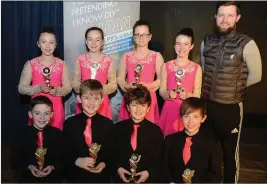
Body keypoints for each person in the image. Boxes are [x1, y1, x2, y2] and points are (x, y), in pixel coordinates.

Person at [201, 1, 262, 183]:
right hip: (207, 107)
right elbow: (204, 71)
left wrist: (233, 89)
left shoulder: (246, 43)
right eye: (221, 15)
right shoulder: (207, 41)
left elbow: (256, 76)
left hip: (231, 109)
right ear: (215, 17)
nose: (224, 19)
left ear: (237, 17)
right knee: (208, 153)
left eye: (229, 15)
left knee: (230, 154)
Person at [18, 26, 72, 131]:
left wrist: (56, 90)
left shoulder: (62, 64)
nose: (47, 46)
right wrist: (39, 88)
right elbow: (21, 88)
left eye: (51, 42)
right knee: (36, 142)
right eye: (44, 42)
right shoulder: (31, 64)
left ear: (56, 45)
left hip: (56, 111)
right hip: (37, 112)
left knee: (55, 142)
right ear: (38, 44)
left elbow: (68, 88)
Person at [63, 79, 114, 183]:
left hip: (101, 176)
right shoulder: (69, 123)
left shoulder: (108, 124)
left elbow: (112, 152)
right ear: (79, 99)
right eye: (86, 98)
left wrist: (104, 163)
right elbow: (64, 151)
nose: (91, 103)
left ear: (102, 100)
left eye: (96, 98)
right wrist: (76, 161)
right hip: (76, 176)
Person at [112, 86, 164, 183]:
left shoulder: (156, 131)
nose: (138, 109)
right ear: (128, 107)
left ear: (148, 108)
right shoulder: (117, 129)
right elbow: (111, 154)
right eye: (134, 105)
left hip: (148, 180)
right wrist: (118, 169)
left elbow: (160, 158)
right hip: (120, 180)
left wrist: (149, 172)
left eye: (142, 105)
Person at [117, 20, 164, 124]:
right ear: (133, 37)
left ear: (150, 36)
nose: (141, 38)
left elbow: (162, 80)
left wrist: (147, 85)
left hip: (148, 99)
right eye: (137, 34)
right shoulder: (126, 56)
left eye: (144, 35)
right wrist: (126, 85)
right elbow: (120, 78)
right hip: (130, 98)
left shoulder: (156, 56)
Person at [164, 97, 220, 183]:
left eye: (195, 117)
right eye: (186, 116)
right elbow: (164, 166)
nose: (190, 121)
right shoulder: (170, 140)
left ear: (203, 118)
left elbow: (215, 175)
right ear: (181, 117)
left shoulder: (211, 143)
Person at [158, 28, 202, 136]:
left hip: (187, 112)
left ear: (191, 46)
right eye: (178, 44)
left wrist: (188, 95)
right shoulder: (166, 65)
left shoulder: (197, 68)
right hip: (169, 109)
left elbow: (197, 94)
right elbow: (161, 90)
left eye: (186, 44)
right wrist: (167, 94)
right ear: (174, 46)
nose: (181, 48)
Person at [72, 27, 117, 120]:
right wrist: (86, 90)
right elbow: (75, 83)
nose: (93, 43)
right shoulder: (80, 59)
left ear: (102, 42)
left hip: (101, 103)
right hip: (84, 102)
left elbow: (113, 84)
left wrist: (98, 90)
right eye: (90, 39)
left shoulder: (108, 60)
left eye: (97, 40)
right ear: (86, 41)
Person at [20, 96, 63, 183]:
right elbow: (16, 159)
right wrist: (29, 167)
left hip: (53, 179)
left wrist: (53, 167)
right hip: (28, 179)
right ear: (30, 114)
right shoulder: (21, 134)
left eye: (46, 113)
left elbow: (64, 158)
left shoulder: (58, 134)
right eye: (37, 113)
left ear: (51, 115)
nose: (42, 117)